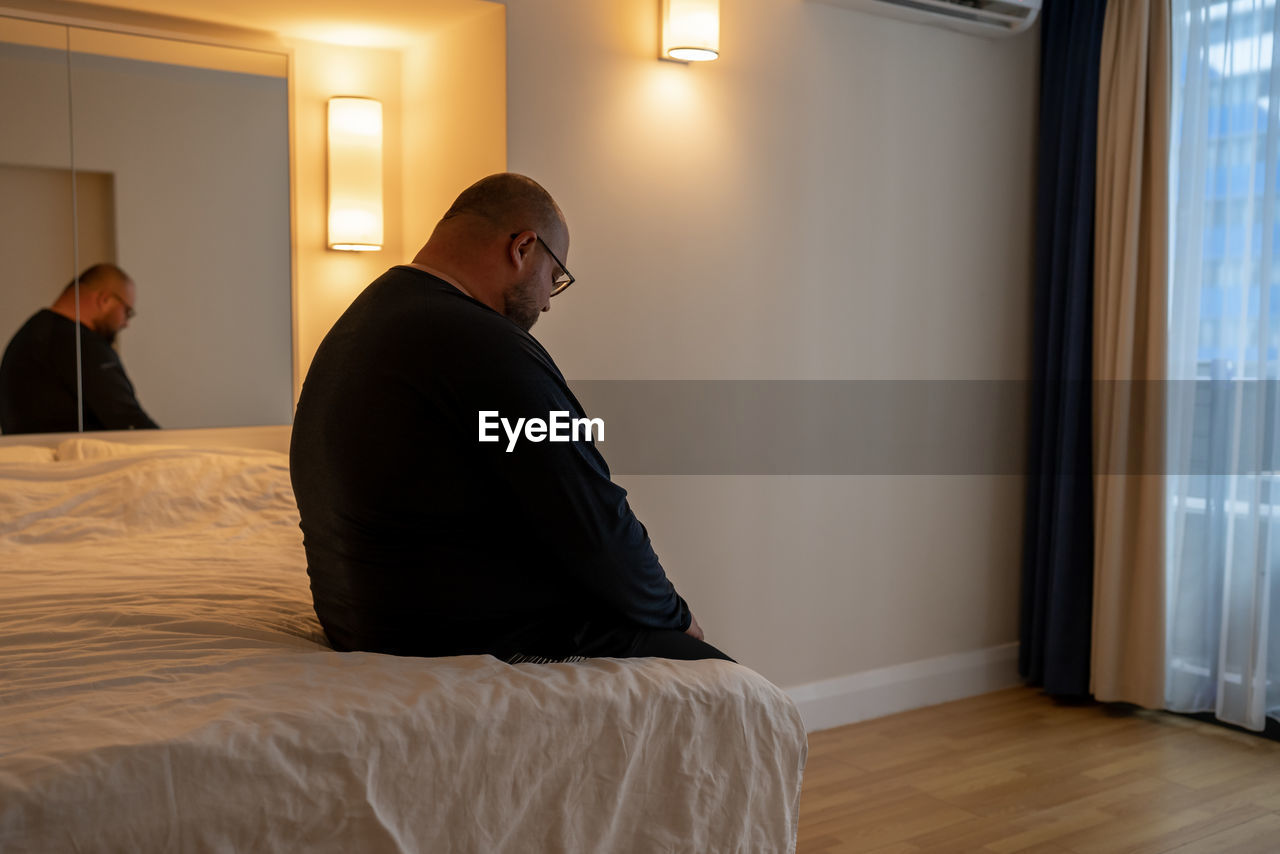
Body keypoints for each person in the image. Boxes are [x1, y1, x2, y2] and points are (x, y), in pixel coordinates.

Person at [291, 173, 731, 664]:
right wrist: (675, 616)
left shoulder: (367, 318)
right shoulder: (480, 345)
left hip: (368, 621)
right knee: (725, 684)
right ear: (523, 247)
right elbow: (593, 519)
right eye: (555, 278)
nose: (546, 300)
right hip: (455, 636)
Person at [0, 263, 158, 434]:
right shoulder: (79, 343)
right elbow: (130, 422)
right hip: (77, 459)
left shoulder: (32, 333)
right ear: (104, 300)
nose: (126, 323)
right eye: (127, 311)